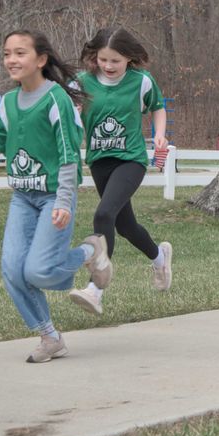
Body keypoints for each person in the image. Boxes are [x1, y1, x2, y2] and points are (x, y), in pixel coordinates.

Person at [0, 30, 112, 363]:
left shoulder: (55, 99)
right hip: (22, 197)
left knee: (39, 271)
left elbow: (67, 153)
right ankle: (50, 337)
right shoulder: (8, 102)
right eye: (6, 54)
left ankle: (90, 251)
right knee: (13, 270)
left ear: (41, 60)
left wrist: (62, 201)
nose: (11, 60)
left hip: (53, 197)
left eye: (20, 53)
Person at [67, 28, 173, 317]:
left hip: (131, 161)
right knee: (125, 226)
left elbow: (158, 108)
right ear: (95, 57)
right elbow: (68, 111)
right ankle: (159, 257)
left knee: (103, 215)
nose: (109, 66)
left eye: (116, 60)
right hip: (100, 161)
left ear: (129, 58)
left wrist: (160, 135)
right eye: (103, 60)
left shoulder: (141, 82)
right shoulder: (82, 83)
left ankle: (95, 290)